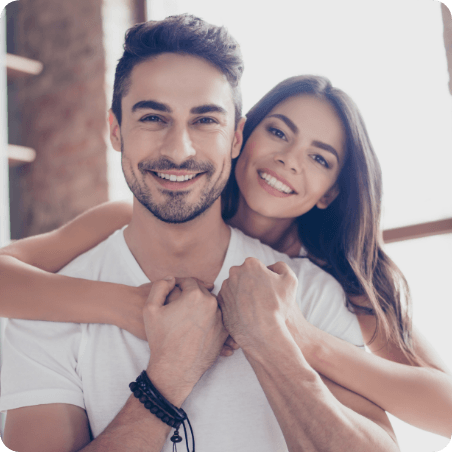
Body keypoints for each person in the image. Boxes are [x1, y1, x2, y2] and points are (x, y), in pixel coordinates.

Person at [0, 14, 400, 452]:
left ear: (236, 137)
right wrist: (166, 380)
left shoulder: (309, 295)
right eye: (153, 117)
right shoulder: (45, 312)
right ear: (116, 130)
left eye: (206, 120)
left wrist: (273, 344)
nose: (178, 150)